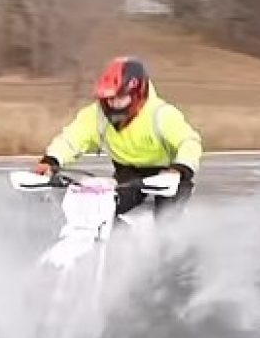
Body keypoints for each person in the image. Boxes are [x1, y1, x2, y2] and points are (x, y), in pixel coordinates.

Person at [33, 56, 203, 217]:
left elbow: (189, 142)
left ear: (137, 94)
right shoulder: (97, 115)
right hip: (128, 175)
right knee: (102, 209)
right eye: (109, 99)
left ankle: (174, 247)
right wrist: (51, 160)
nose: (113, 104)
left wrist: (179, 169)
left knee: (166, 220)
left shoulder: (161, 114)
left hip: (170, 174)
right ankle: (112, 243)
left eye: (120, 98)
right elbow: (72, 139)